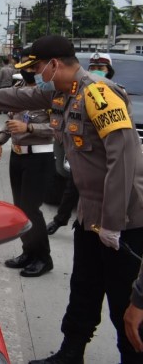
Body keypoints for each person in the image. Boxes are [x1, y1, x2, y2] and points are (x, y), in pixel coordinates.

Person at [0, 35, 143, 364]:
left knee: (124, 303)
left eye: (39, 67)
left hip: (124, 221)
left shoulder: (100, 94)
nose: (37, 74)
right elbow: (20, 94)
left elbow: (122, 162)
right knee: (83, 288)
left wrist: (112, 224)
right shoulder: (62, 91)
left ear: (55, 64)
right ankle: (71, 353)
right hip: (90, 215)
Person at [0, 49, 55, 277]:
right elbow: (11, 121)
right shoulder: (18, 91)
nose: (29, 72)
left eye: (32, 68)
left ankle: (43, 258)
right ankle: (28, 251)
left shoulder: (50, 95)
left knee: (31, 209)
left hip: (39, 156)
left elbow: (59, 128)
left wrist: (30, 128)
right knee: (20, 209)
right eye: (25, 69)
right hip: (17, 155)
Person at [47, 53, 117, 235]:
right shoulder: (79, 90)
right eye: (92, 68)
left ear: (109, 71)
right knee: (72, 188)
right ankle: (60, 220)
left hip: (105, 156)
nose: (96, 71)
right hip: (81, 151)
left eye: (101, 68)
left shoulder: (114, 92)